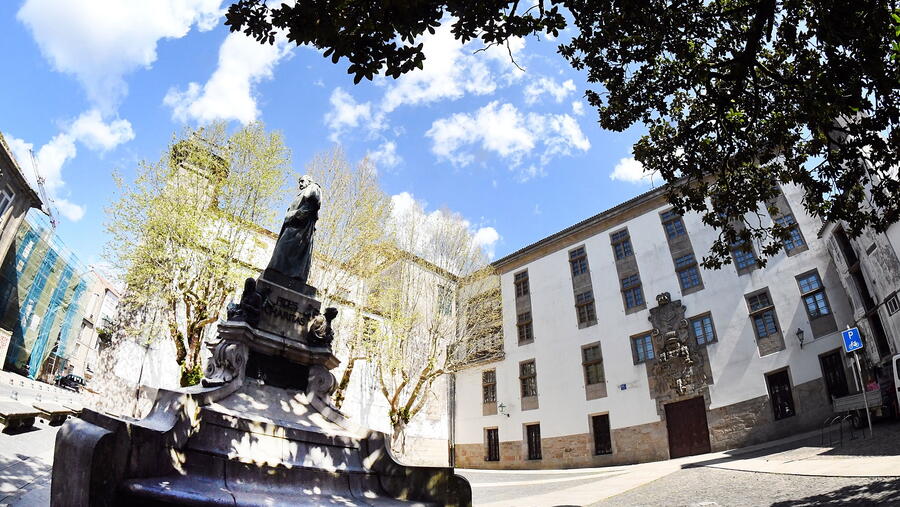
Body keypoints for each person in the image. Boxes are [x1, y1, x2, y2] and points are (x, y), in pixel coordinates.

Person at [266, 175, 321, 285]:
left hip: (300, 229)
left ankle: (280, 274)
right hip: (294, 227)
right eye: (299, 182)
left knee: (282, 250)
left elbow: (310, 207)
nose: (300, 184)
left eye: (302, 181)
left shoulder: (314, 187)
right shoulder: (304, 191)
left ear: (309, 181)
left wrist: (291, 215)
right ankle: (278, 274)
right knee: (282, 253)